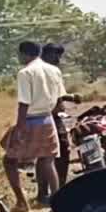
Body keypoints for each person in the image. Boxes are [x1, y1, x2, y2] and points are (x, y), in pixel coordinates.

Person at [0, 41, 66, 212]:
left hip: (30, 121)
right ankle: (58, 203)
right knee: (47, 161)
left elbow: (24, 103)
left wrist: (20, 130)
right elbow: (59, 102)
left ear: (24, 54)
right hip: (47, 119)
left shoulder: (25, 72)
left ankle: (22, 202)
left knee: (9, 161)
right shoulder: (54, 70)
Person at [40, 43, 81, 195]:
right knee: (62, 151)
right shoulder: (47, 71)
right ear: (45, 55)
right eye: (54, 55)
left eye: (59, 55)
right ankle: (59, 190)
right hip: (48, 116)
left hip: (47, 115)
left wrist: (70, 97)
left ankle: (44, 192)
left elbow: (58, 93)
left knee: (45, 154)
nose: (57, 58)